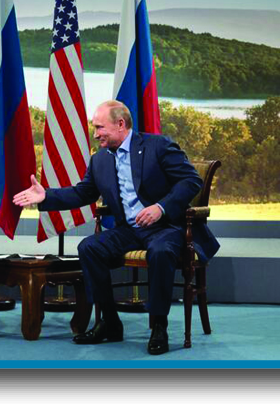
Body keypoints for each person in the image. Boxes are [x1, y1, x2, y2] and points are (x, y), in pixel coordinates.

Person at [13, 100, 219, 355]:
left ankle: (158, 325)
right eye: (94, 127)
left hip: (166, 227)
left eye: (100, 127)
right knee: (90, 247)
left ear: (120, 124)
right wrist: (46, 197)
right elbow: (83, 193)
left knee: (162, 252)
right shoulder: (99, 160)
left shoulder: (158, 146)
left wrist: (160, 208)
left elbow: (191, 180)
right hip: (129, 230)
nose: (96, 133)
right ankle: (109, 322)